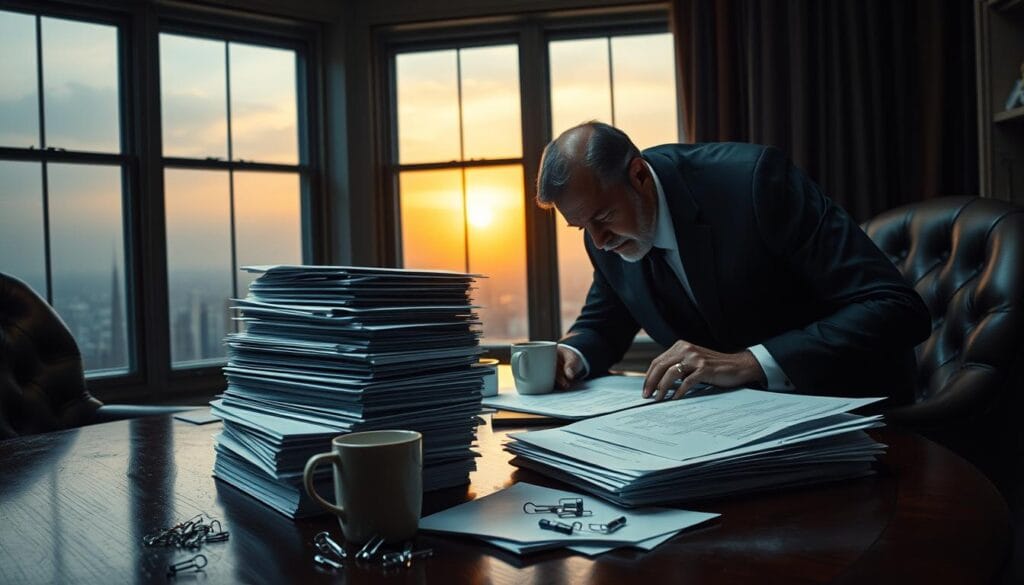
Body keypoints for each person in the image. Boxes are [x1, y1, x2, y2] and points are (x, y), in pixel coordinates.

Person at [536, 121, 931, 403]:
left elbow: (896, 308)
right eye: (581, 227)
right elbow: (604, 325)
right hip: (725, 428)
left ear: (638, 175)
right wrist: (571, 355)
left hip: (847, 407)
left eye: (604, 218)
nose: (598, 241)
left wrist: (750, 363)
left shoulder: (753, 183)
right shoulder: (605, 235)